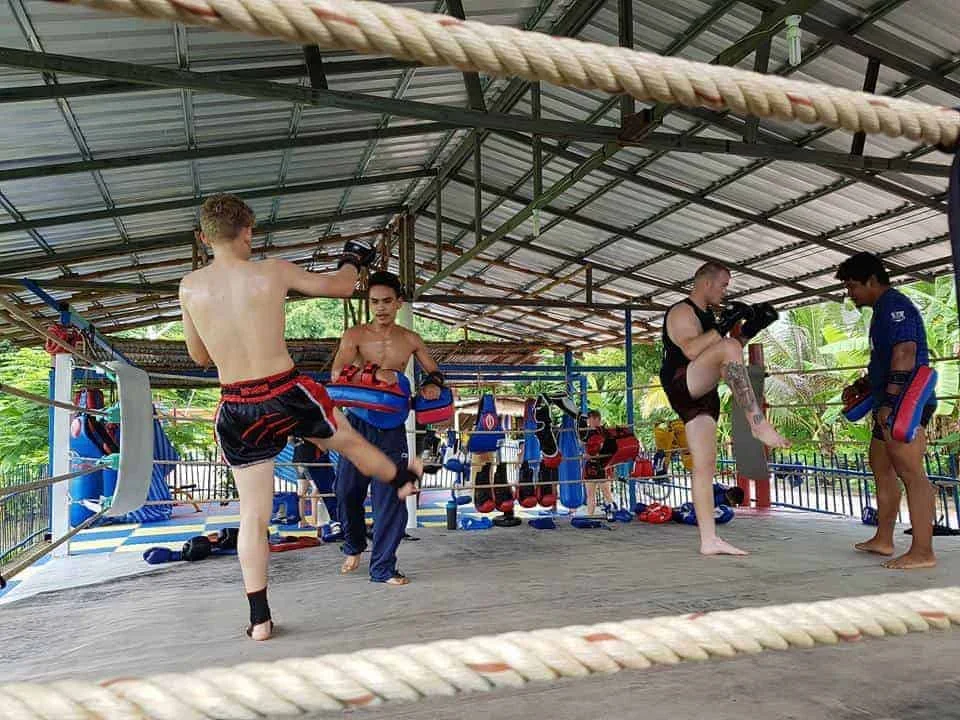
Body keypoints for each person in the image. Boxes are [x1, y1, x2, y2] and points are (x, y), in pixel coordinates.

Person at [178, 194, 422, 641]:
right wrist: (352, 259)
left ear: (204, 238)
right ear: (248, 232)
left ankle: (259, 619)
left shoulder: (189, 287)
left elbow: (197, 355)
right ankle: (397, 475)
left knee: (253, 515)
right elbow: (344, 286)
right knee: (346, 437)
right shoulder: (271, 271)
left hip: (237, 404)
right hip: (284, 390)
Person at [659, 261, 789, 556]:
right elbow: (692, 350)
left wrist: (751, 329)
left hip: (704, 391)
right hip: (683, 382)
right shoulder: (681, 311)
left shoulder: (708, 316)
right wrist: (725, 329)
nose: (725, 291)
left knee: (704, 465)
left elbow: (726, 356)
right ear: (706, 283)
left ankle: (709, 540)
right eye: (723, 284)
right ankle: (758, 422)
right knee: (730, 344)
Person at [330, 270, 443, 585]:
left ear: (398, 303)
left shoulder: (410, 339)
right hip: (357, 424)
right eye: (374, 302)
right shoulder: (354, 335)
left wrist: (432, 386)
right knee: (346, 492)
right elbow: (338, 373)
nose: (380, 308)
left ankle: (382, 568)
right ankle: (353, 544)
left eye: (387, 302)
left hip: (392, 427)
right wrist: (373, 373)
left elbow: (435, 372)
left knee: (391, 499)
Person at [837, 252, 937, 569]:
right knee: (880, 466)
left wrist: (891, 403)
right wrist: (864, 384)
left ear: (872, 281)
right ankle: (883, 539)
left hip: (906, 403)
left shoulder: (895, 306)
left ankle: (923, 552)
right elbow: (886, 359)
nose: (850, 293)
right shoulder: (881, 311)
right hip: (887, 400)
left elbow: (906, 353)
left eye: (853, 285)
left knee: (911, 473)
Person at [583, 410, 617, 520]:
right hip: (590, 464)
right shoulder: (587, 432)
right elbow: (585, 446)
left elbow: (611, 449)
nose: (589, 421)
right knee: (590, 494)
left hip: (602, 465)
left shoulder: (605, 432)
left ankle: (614, 513)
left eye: (590, 419)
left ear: (596, 419)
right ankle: (590, 516)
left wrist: (598, 454)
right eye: (588, 419)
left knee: (606, 493)